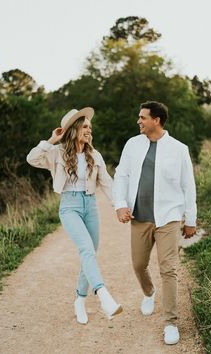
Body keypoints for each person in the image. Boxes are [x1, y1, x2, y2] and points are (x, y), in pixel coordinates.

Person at [27, 107, 122, 325]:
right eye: (85, 127)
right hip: (69, 207)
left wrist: (119, 206)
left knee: (90, 254)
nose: (89, 130)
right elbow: (31, 158)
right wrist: (52, 139)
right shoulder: (57, 153)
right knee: (86, 249)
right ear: (74, 130)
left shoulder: (94, 155)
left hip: (90, 206)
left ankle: (79, 300)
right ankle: (103, 294)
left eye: (90, 127)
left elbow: (107, 184)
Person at [112, 101, 197, 345]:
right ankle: (149, 292)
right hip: (139, 217)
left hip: (168, 218)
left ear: (156, 120)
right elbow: (122, 175)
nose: (138, 121)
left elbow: (188, 186)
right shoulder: (132, 145)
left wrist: (190, 220)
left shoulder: (179, 149)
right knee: (139, 264)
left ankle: (171, 322)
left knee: (168, 268)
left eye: (142, 117)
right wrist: (120, 204)